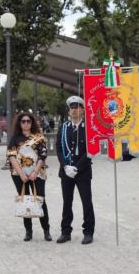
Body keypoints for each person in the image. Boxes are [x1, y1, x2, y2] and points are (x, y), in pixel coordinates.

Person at [56, 96, 95, 245]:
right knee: (67, 202)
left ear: (83, 110)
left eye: (77, 107)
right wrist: (65, 166)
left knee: (87, 202)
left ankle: (88, 232)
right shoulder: (64, 127)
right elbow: (59, 149)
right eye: (72, 108)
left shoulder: (89, 128)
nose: (74, 110)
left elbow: (90, 150)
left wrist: (77, 167)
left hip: (83, 171)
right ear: (69, 110)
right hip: (66, 171)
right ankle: (65, 232)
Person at [7, 112, 51, 242]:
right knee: (25, 201)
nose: (26, 123)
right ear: (19, 123)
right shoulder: (14, 138)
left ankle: (46, 230)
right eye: (23, 121)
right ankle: (28, 231)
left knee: (40, 200)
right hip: (19, 175)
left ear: (32, 123)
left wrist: (34, 173)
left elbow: (43, 156)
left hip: (37, 174)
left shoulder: (39, 138)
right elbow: (11, 156)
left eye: (28, 121)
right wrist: (22, 174)